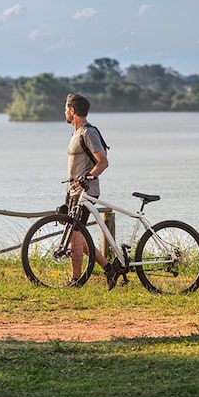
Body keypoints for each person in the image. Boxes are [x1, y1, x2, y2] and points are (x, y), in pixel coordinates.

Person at [64, 93, 119, 289]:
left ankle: (76, 280)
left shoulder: (88, 133)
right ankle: (110, 269)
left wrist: (88, 178)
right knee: (79, 237)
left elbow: (102, 162)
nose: (64, 112)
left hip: (86, 193)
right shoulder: (76, 133)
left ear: (73, 111)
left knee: (74, 237)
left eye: (66, 108)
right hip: (74, 192)